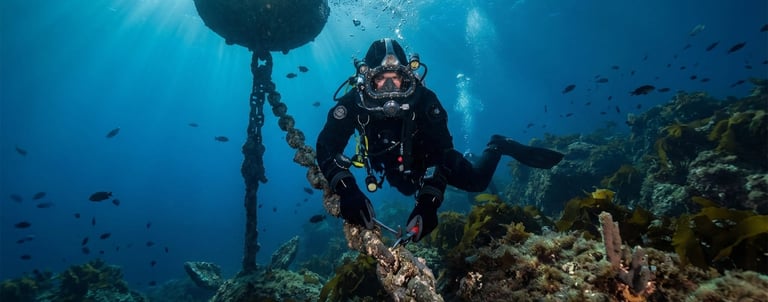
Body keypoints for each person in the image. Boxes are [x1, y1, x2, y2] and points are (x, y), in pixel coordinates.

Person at [316, 38, 564, 243]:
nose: (390, 87)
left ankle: (498, 144)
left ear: (408, 77)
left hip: (429, 160)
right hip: (393, 167)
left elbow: (442, 152)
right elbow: (326, 148)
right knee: (405, 187)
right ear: (365, 80)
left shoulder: (425, 100)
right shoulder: (353, 104)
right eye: (380, 79)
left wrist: (429, 202)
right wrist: (347, 190)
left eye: (397, 78)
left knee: (478, 182)